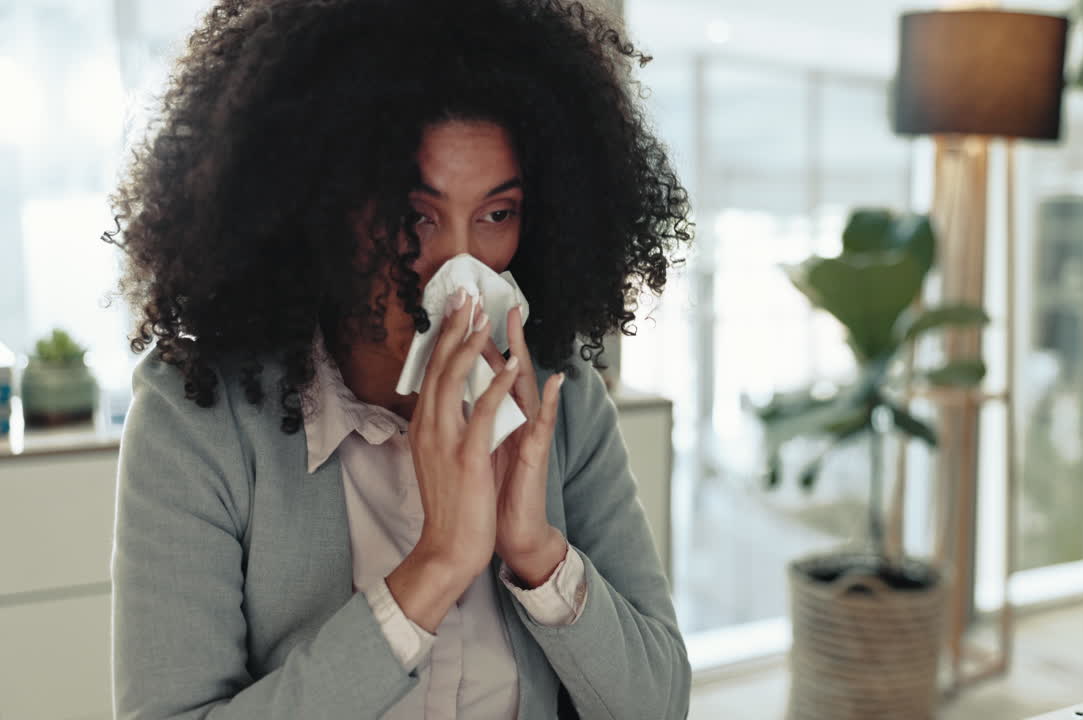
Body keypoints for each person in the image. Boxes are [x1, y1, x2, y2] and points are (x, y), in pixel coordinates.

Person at [104, 0, 693, 717]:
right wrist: (435, 568)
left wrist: (538, 551)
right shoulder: (199, 420)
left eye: (496, 214)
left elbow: (659, 702)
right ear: (319, 207)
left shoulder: (556, 402)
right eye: (415, 216)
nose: (459, 265)